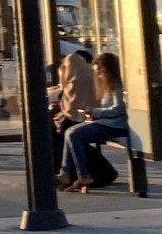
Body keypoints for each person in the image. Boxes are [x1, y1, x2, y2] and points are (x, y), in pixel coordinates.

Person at [62, 52, 130, 190]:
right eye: (97, 72)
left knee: (74, 134)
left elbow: (118, 109)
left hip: (115, 125)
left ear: (109, 70)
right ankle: (66, 172)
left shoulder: (116, 85)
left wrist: (95, 112)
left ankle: (83, 175)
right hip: (108, 122)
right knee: (69, 131)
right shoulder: (109, 86)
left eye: (101, 72)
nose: (99, 76)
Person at [50, 46, 97, 177]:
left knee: (65, 131)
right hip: (83, 117)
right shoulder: (89, 76)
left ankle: (65, 172)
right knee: (63, 129)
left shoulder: (83, 78)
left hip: (86, 118)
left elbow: (72, 105)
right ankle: (65, 172)